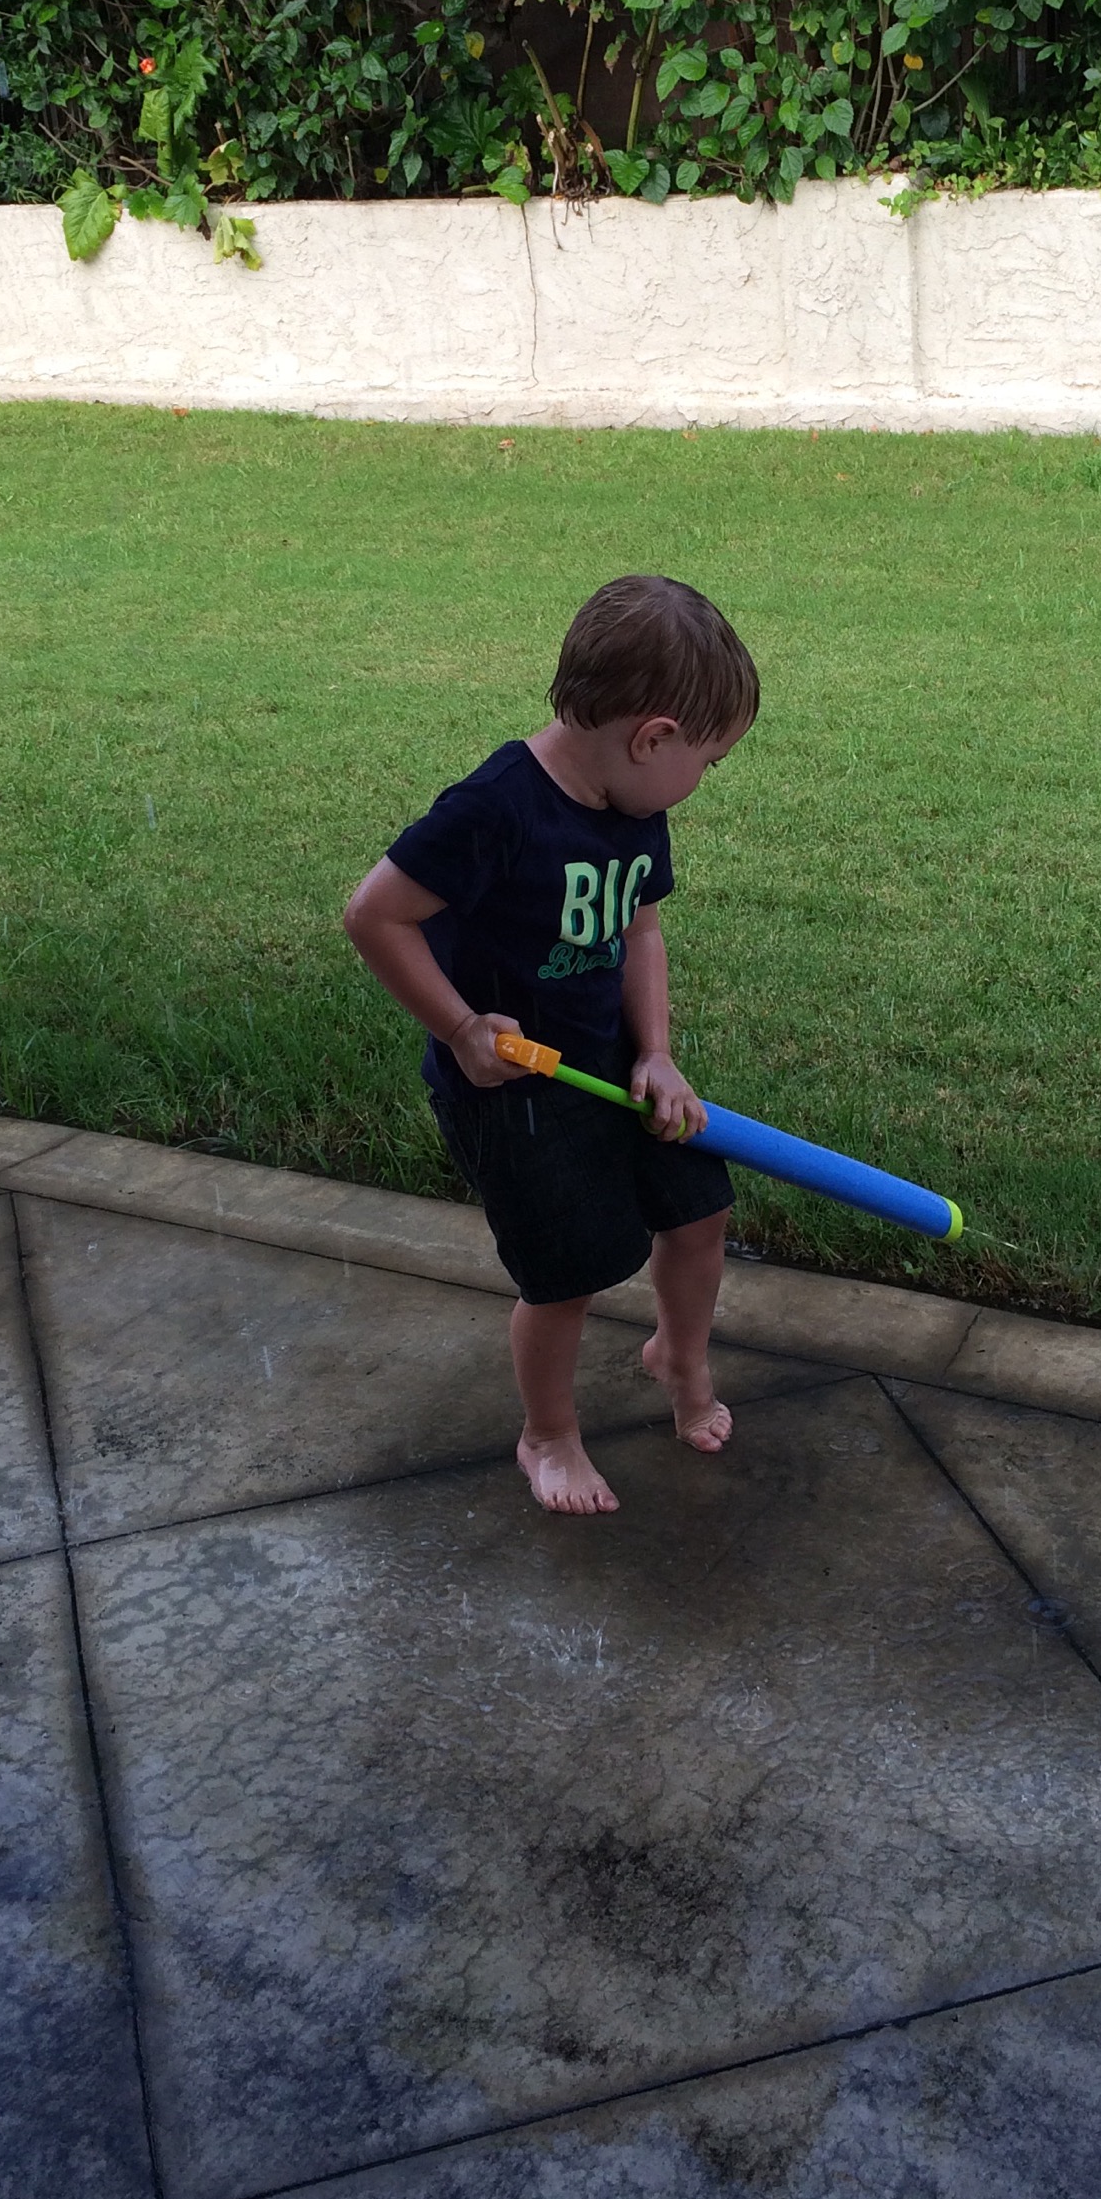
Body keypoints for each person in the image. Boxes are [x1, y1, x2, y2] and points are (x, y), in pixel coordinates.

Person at [342, 573, 758, 1518]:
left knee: (699, 1212)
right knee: (565, 1278)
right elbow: (374, 915)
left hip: (615, 1064)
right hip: (514, 1088)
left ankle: (679, 1356)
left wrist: (656, 1051)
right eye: (709, 760)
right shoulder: (494, 809)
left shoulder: (633, 806)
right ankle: (548, 1435)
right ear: (652, 737)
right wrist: (461, 1029)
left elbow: (640, 928)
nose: (702, 781)